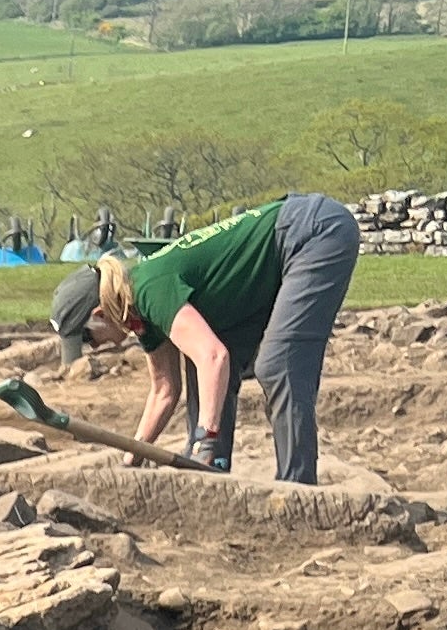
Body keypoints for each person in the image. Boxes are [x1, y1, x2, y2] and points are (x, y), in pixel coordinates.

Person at [47, 189, 362, 484]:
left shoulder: (149, 291)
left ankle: (297, 486)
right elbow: (164, 391)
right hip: (269, 269)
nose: (92, 348)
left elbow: (214, 356)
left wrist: (205, 436)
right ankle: (213, 469)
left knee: (277, 364)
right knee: (200, 376)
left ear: (100, 314)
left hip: (312, 233)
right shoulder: (138, 314)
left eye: (88, 339)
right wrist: (134, 457)